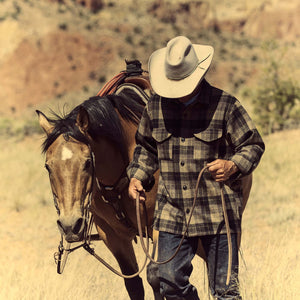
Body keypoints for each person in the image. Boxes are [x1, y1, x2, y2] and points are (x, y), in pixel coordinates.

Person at [127, 36, 265, 300]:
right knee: (169, 282)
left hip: (218, 211)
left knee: (226, 291)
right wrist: (137, 176)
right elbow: (145, 148)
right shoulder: (155, 107)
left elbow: (254, 145)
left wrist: (233, 165)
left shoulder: (226, 105)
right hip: (172, 211)